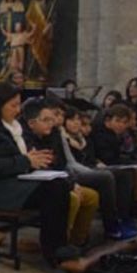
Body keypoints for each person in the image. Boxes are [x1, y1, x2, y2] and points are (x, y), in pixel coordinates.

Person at [0, 83, 75, 265]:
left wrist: (35, 160)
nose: (18, 111)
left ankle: (60, 244)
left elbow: (21, 158)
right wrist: (26, 161)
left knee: (61, 183)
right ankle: (53, 250)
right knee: (53, 190)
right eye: (13, 105)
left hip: (14, 182)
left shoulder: (13, 127)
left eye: (19, 105)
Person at [22, 99, 99, 247]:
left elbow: (61, 164)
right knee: (73, 199)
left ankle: (78, 241)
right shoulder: (25, 138)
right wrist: (69, 186)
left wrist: (72, 183)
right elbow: (39, 169)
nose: (51, 123)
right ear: (32, 123)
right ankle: (63, 241)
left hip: (60, 181)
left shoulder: (54, 135)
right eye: (46, 120)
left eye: (52, 119)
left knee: (92, 197)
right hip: (40, 186)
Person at [61, 106, 137, 240]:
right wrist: (95, 168)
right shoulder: (63, 138)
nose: (76, 123)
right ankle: (111, 225)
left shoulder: (84, 138)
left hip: (90, 168)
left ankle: (125, 218)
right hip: (75, 172)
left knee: (125, 173)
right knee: (106, 176)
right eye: (71, 120)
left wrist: (97, 163)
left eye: (78, 120)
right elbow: (71, 163)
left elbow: (92, 158)